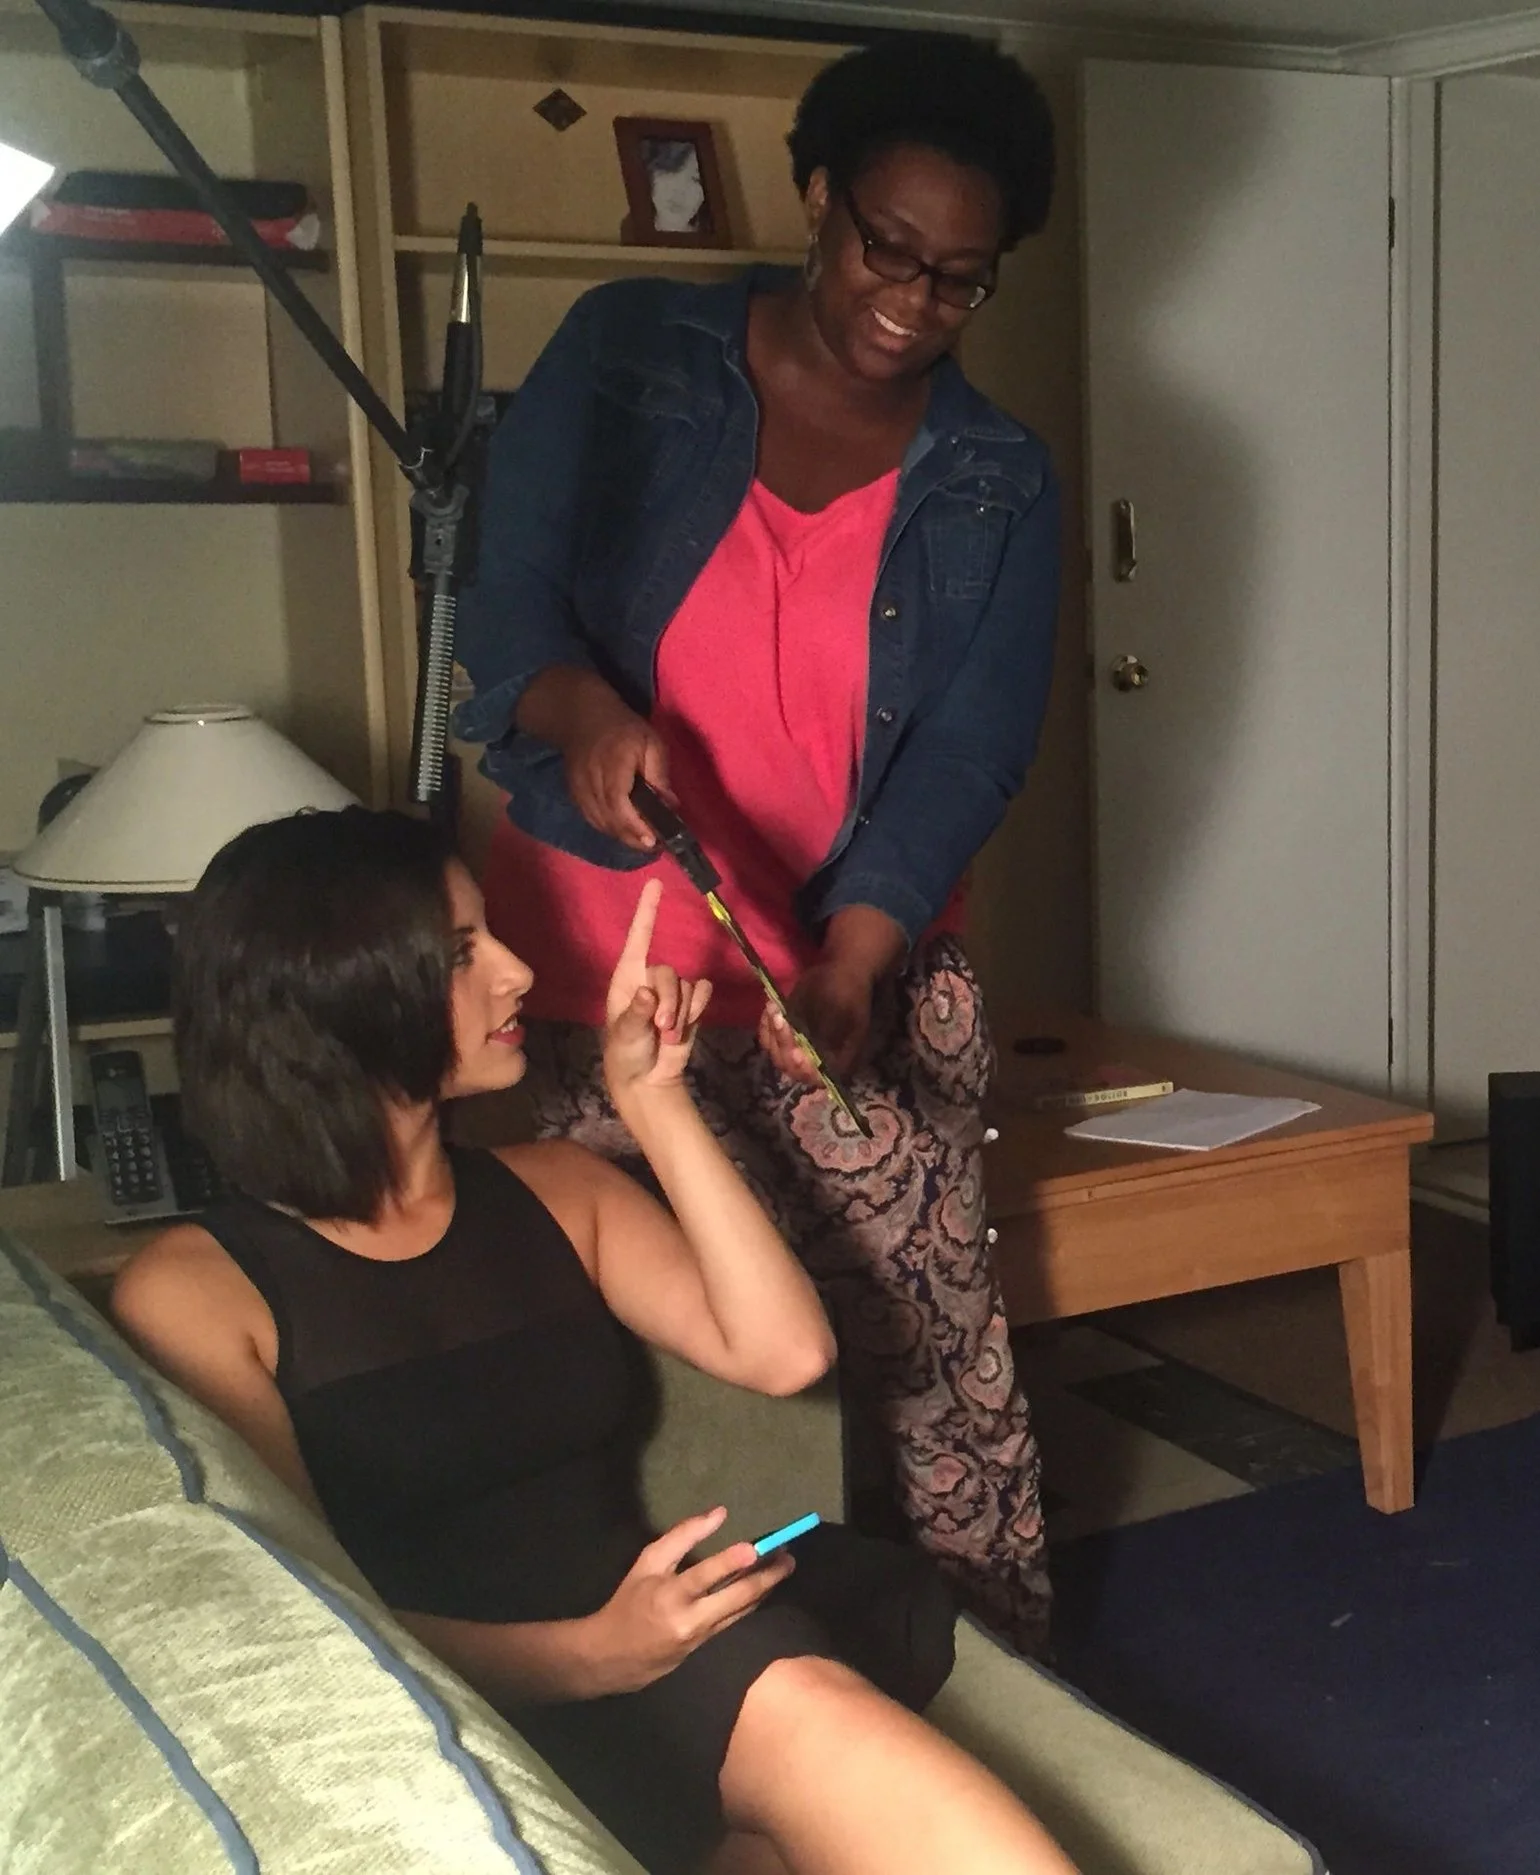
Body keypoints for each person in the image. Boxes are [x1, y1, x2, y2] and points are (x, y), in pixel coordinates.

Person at [110, 809, 1078, 1875]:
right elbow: (292, 1614)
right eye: (463, 953)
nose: (522, 974)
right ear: (337, 992)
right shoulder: (197, 1293)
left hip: (665, 1648)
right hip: (440, 1708)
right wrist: (584, 1661)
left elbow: (783, 1353)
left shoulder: (559, 1187)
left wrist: (653, 1100)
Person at [454, 33, 1063, 1649]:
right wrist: (583, 717)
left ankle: (984, 1678)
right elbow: (504, 597)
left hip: (844, 974)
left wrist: (861, 946)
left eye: (961, 278)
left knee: (923, 1359)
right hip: (602, 980)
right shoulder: (630, 349)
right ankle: (704, 1692)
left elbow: (973, 747)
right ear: (816, 195)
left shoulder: (999, 478)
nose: (911, 302)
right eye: (886, 246)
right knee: (658, 1380)